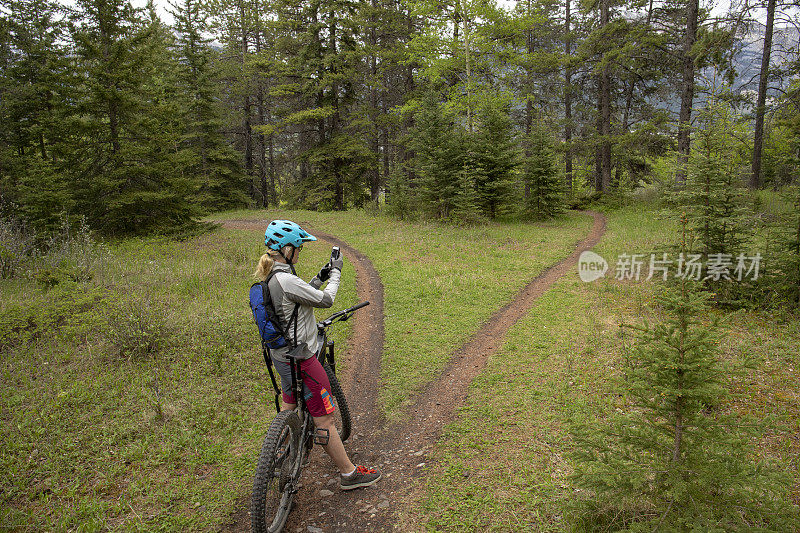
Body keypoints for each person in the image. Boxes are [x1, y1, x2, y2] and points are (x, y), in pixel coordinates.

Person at [254, 219, 381, 490]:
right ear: (286, 250)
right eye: (298, 248)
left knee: (289, 404)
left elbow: (294, 299)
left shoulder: (271, 277)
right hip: (302, 358)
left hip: (281, 356)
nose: (299, 253)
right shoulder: (286, 278)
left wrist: (319, 277)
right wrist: (335, 273)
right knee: (324, 418)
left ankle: (280, 452)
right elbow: (324, 300)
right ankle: (349, 474)